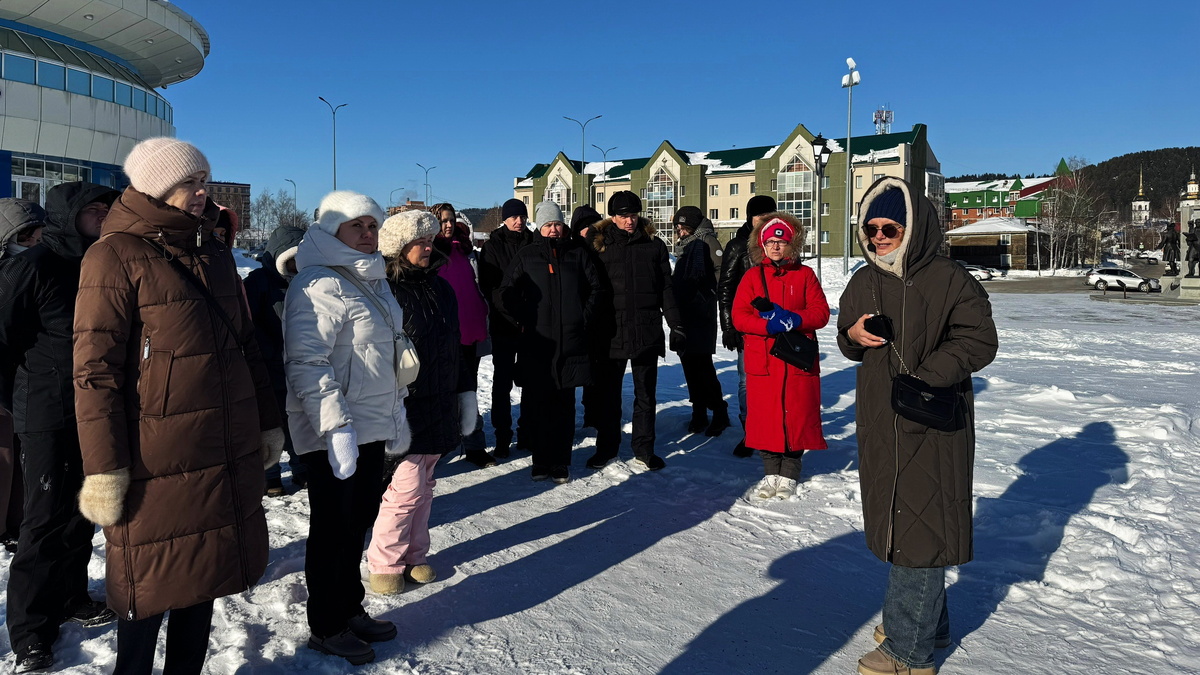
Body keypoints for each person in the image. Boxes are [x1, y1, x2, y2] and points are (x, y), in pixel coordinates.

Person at [73, 138, 284, 675]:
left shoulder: (211, 252)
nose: (202, 192)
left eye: (204, 181)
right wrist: (104, 469)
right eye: (191, 182)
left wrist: (266, 422)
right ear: (157, 187)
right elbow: (94, 375)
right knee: (147, 584)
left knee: (205, 577)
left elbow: (245, 343)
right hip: (153, 458)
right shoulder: (113, 255)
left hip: (220, 445)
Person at [836, 178, 997, 675]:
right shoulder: (864, 279)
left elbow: (979, 341)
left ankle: (909, 653)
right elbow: (846, 337)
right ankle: (928, 626)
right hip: (882, 422)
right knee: (902, 522)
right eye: (872, 228)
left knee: (919, 530)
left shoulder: (950, 279)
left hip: (933, 422)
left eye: (890, 227)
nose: (879, 236)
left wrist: (926, 377)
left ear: (913, 228)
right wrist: (852, 336)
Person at [283, 190, 406, 665]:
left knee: (356, 524)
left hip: (371, 423)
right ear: (332, 230)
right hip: (334, 431)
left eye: (372, 226)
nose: (369, 234)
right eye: (357, 226)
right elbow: (307, 364)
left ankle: (349, 607)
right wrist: (335, 430)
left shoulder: (370, 278)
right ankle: (326, 624)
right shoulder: (317, 284)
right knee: (332, 528)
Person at [0, 185, 120, 672]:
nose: (102, 216)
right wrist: (16, 402)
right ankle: (30, 630)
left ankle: (72, 596)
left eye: (107, 209)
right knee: (44, 518)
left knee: (81, 510)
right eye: (93, 210)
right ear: (69, 215)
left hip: (94, 409)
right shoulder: (32, 266)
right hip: (46, 410)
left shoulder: (103, 263)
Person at [367, 210, 473, 595]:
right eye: (420, 241)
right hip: (405, 406)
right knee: (405, 490)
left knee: (425, 487)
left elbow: (456, 345)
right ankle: (384, 561)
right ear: (398, 246)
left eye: (430, 240)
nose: (428, 247)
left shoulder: (440, 288)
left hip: (440, 400)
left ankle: (415, 556)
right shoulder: (384, 291)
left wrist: (465, 393)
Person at [497, 201, 604, 483]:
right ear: (540, 228)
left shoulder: (577, 254)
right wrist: (523, 317)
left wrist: (584, 316)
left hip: (571, 341)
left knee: (564, 406)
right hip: (538, 344)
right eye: (548, 225)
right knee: (539, 406)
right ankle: (541, 461)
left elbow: (596, 287)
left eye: (557, 224)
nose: (553, 229)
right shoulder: (527, 255)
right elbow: (505, 292)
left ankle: (561, 462)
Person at [732, 212, 829, 500]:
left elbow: (821, 312)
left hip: (797, 359)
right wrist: (766, 325)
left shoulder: (805, 275)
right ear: (761, 244)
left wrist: (795, 320)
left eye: (782, 241)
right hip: (763, 359)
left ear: (792, 245)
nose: (776, 246)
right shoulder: (751, 277)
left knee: (796, 415)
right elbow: (739, 316)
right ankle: (770, 471)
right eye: (770, 241)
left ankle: (789, 472)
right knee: (766, 417)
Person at [586, 191, 683, 471]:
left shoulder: (654, 245)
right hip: (610, 331)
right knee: (609, 395)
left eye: (633, 214)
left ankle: (644, 448)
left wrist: (676, 325)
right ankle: (606, 447)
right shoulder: (599, 245)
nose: (629, 220)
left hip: (646, 329)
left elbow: (666, 287)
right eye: (623, 215)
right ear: (612, 217)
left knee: (645, 394)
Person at [243, 224, 309, 496]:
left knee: (300, 423)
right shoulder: (258, 282)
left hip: (299, 368)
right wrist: (266, 352)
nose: (297, 263)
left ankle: (302, 469)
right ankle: (270, 475)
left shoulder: (308, 283)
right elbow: (248, 324)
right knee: (269, 422)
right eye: (292, 258)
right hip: (269, 368)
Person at [431, 202, 494, 468]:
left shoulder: (465, 249)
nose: (448, 224)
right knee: (441, 392)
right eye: (442, 220)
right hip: (440, 337)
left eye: (451, 219)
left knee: (468, 390)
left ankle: (474, 445)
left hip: (470, 332)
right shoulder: (427, 252)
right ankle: (439, 444)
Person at [717, 195, 779, 457]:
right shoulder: (738, 246)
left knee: (774, 380)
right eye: (759, 216)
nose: (764, 221)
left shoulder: (778, 244)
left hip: (777, 325)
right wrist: (728, 326)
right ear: (749, 217)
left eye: (769, 216)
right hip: (748, 326)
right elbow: (726, 289)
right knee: (747, 382)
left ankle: (773, 431)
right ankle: (750, 433)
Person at [477, 198, 535, 457]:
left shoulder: (534, 242)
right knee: (502, 383)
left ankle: (527, 432)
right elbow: (491, 288)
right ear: (505, 219)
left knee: (531, 381)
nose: (519, 221)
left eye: (522, 216)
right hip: (504, 324)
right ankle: (503, 435)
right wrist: (511, 314)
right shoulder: (492, 246)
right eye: (513, 217)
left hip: (531, 325)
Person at [670, 206, 730, 436]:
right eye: (678, 227)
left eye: (684, 227)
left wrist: (707, 293)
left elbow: (720, 274)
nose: (680, 231)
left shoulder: (708, 242)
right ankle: (699, 410)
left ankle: (719, 411)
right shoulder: (684, 248)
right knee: (689, 366)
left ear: (694, 227)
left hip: (701, 314)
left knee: (703, 367)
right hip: (684, 313)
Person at [569, 205, 604, 429]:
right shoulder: (571, 250)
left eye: (593, 226)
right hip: (574, 317)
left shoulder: (605, 249)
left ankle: (593, 414)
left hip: (600, 318)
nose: (589, 230)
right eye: (584, 227)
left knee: (597, 370)